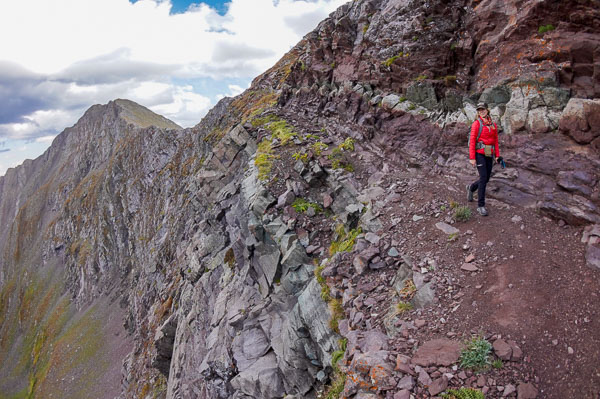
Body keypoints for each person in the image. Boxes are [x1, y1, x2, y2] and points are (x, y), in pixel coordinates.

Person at [466, 102, 501, 216]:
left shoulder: (493, 125)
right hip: (479, 154)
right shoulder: (476, 124)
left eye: (483, 109)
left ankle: (471, 188)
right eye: (479, 110)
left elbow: (495, 141)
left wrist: (497, 155)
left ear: (487, 110)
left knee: (485, 179)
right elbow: (472, 141)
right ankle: (481, 206)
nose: (481, 111)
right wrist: (472, 157)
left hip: (489, 154)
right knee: (483, 177)